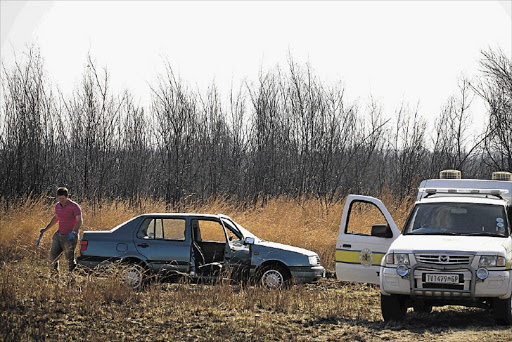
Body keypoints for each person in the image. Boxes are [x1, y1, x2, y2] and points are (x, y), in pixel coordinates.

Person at [40, 187, 83, 273]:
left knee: (69, 259)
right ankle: (54, 277)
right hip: (59, 235)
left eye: (63, 198)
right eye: (59, 198)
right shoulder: (57, 206)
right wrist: (45, 229)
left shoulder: (74, 206)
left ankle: (71, 278)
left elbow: (80, 221)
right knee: (53, 257)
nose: (61, 200)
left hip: (70, 236)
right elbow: (56, 218)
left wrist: (74, 232)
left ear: (68, 196)